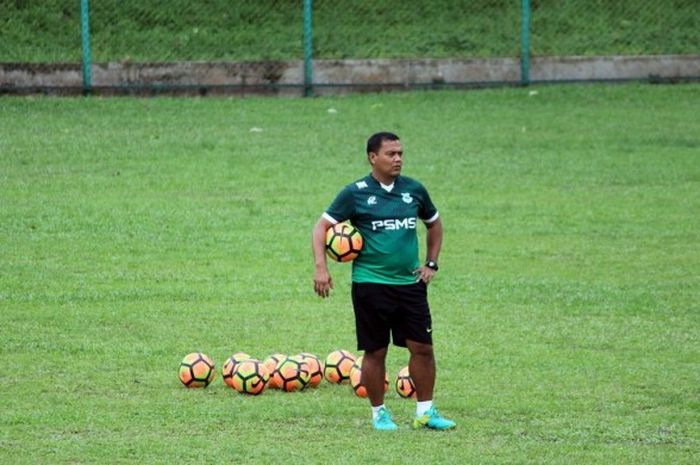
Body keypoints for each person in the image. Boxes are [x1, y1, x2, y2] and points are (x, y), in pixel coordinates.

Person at [311, 131, 456, 431]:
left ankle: (425, 412)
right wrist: (321, 268)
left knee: (423, 349)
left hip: (410, 285)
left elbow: (434, 223)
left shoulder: (414, 190)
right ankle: (379, 413)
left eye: (400, 153)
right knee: (375, 351)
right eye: (391, 154)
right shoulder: (355, 193)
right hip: (370, 285)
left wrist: (431, 263)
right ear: (372, 157)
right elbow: (321, 227)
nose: (398, 158)